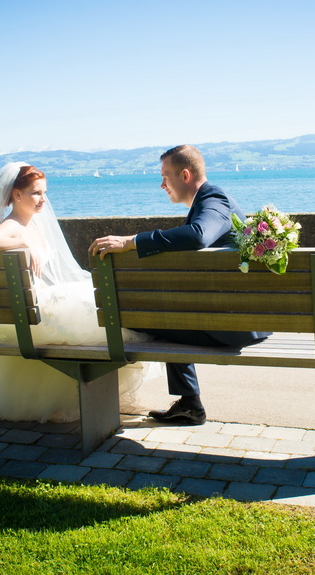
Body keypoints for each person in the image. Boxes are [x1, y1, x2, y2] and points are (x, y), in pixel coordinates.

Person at [0, 162, 158, 422]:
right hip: (29, 313)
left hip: (28, 309)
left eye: (44, 192)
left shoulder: (33, 223)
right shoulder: (14, 226)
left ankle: (72, 394)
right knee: (104, 316)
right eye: (36, 193)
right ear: (17, 195)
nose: (43, 199)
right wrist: (22, 242)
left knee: (95, 307)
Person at [89, 145, 270, 426]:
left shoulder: (214, 198)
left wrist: (132, 241)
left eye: (165, 176)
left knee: (141, 322)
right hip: (235, 317)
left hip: (237, 324)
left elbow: (199, 235)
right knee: (161, 316)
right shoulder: (206, 202)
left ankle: (187, 404)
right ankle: (189, 404)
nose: (161, 185)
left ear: (185, 175)